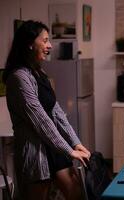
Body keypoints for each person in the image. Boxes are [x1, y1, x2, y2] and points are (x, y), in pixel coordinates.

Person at [2, 20, 91, 200]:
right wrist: (69, 150)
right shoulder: (19, 77)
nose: (50, 45)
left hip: (54, 146)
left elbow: (56, 112)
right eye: (44, 40)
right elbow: (40, 120)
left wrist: (75, 142)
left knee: (76, 192)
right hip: (36, 152)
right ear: (29, 44)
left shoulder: (39, 72)